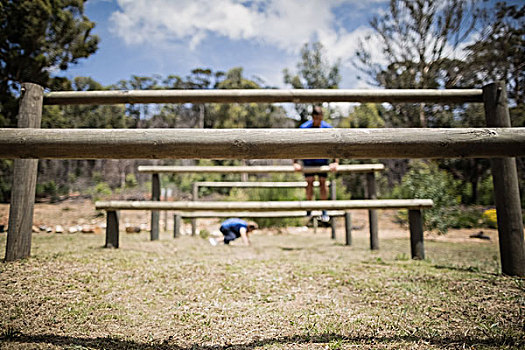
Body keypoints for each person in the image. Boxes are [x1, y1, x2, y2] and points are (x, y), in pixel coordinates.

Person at [293, 106, 338, 222]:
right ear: (312, 117)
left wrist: (335, 162)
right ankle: (309, 210)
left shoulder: (328, 128)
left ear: (322, 117)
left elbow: (335, 145)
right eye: (315, 118)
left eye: (319, 118)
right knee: (309, 182)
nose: (318, 120)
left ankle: (324, 211)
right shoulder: (304, 128)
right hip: (308, 160)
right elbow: (295, 145)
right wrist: (295, 162)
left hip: (322, 160)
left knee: (323, 184)